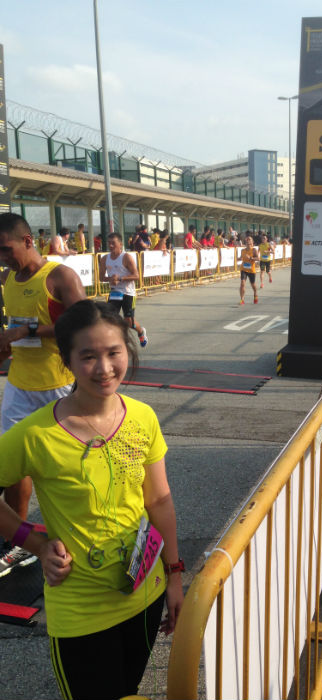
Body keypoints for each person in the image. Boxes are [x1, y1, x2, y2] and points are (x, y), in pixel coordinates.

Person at [0, 299, 184, 699]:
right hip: (80, 612)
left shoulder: (143, 418)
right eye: (87, 356)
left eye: (113, 353)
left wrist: (174, 576)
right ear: (66, 360)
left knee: (129, 690)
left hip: (145, 596)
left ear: (127, 350)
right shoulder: (36, 434)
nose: (104, 368)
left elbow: (159, 502)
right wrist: (35, 542)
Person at [0, 213, 86, 576]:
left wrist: (30, 330)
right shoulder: (6, 278)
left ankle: (80, 537)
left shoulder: (59, 276)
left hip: (59, 385)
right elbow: (12, 328)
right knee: (12, 464)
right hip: (19, 385)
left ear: (28, 242)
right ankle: (17, 542)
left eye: (6, 249)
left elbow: (84, 321)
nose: (2, 257)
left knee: (68, 465)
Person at [99, 232, 148, 348]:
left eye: (113, 243)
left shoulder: (126, 257)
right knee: (109, 318)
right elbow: (101, 278)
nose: (110, 246)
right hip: (115, 292)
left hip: (128, 293)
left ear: (120, 244)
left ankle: (141, 332)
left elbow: (136, 276)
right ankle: (118, 342)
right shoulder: (105, 259)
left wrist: (120, 278)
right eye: (109, 243)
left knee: (129, 322)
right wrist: (110, 279)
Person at [239, 235, 259, 305]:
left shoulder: (254, 250)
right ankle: (242, 299)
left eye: (249, 239)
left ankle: (255, 294)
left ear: (252, 242)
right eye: (247, 239)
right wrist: (239, 258)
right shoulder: (242, 250)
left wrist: (250, 258)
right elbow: (241, 257)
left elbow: (257, 258)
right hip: (243, 269)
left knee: (253, 284)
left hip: (251, 270)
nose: (248, 240)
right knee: (242, 283)